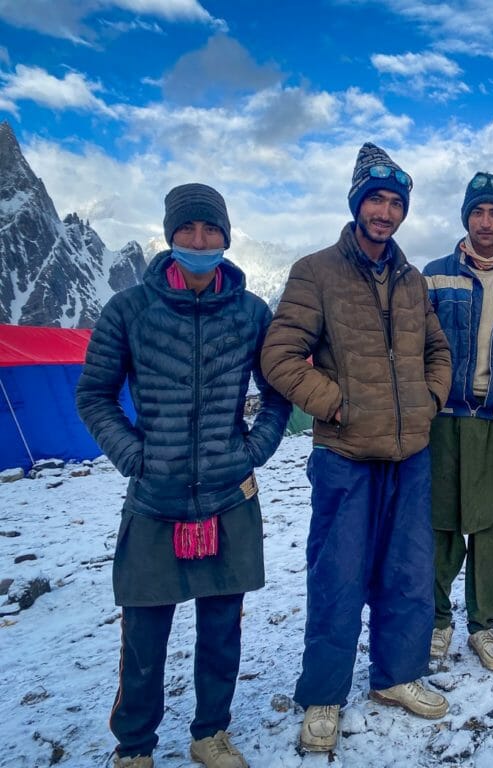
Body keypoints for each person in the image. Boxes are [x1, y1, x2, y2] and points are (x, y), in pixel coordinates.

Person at [76, 183, 290, 768]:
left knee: (222, 629)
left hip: (228, 495)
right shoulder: (128, 309)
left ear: (226, 235)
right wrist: (133, 456)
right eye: (188, 231)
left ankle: (210, 734)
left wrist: (255, 450)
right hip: (154, 497)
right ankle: (135, 747)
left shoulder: (251, 313)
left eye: (210, 231)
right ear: (171, 236)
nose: (199, 241)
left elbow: (277, 394)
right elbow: (94, 396)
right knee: (144, 636)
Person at [260, 142, 452, 754]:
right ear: (356, 201)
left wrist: (430, 400)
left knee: (408, 572)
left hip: (411, 452)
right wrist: (338, 404)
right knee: (337, 576)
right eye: (377, 198)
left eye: (396, 202)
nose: (386, 212)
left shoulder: (413, 279)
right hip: (344, 455)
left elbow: (438, 353)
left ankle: (397, 676)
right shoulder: (316, 271)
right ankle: (323, 695)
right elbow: (280, 357)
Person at [422, 172, 493, 671]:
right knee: (441, 521)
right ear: (465, 217)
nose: (486, 222)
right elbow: (417, 348)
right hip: (445, 416)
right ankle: (436, 618)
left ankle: (483, 626)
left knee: (491, 527)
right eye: (478, 212)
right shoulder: (434, 275)